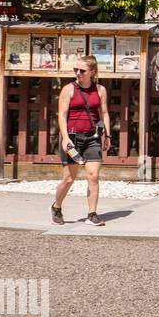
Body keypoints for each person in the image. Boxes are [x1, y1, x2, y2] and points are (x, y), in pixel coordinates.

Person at [52, 55, 112, 227]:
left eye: (82, 70)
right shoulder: (68, 89)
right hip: (72, 137)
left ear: (92, 72)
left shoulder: (100, 90)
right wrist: (65, 138)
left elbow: (104, 113)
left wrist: (107, 135)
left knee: (93, 176)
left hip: (92, 137)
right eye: (76, 70)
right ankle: (56, 207)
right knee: (69, 179)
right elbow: (62, 115)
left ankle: (92, 214)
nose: (78, 73)